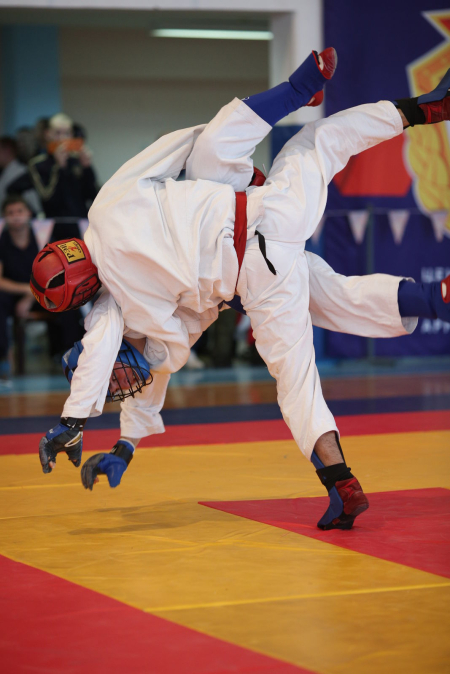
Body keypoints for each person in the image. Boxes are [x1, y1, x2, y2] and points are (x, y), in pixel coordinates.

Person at [32, 52, 450, 529]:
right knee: (294, 143)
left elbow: (108, 351)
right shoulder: (108, 209)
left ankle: (341, 480)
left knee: (299, 373)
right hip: (264, 212)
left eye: (112, 380)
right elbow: (174, 145)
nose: (119, 383)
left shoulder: (118, 314)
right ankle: (400, 107)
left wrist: (74, 421)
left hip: (259, 275)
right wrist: (118, 442)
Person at [7, 113, 99, 241]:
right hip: (52, 230)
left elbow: (92, 196)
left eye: (67, 133)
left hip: (80, 228)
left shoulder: (77, 161)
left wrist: (87, 168)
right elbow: (48, 198)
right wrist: (32, 214)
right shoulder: (39, 165)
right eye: (57, 133)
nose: (62, 138)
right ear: (48, 134)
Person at [0, 196, 39, 377]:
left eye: (19, 211)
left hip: (42, 292)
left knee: (69, 300)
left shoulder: (42, 238)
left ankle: (69, 352)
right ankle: (3, 356)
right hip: (12, 293)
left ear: (29, 213)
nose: (16, 216)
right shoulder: (2, 241)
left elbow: (54, 276)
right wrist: (28, 290)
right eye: (10, 212)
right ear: (4, 217)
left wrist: (31, 296)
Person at [0, 137, 41, 214]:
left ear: (7, 150)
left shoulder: (21, 172)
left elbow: (32, 202)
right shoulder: (5, 171)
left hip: (22, 218)